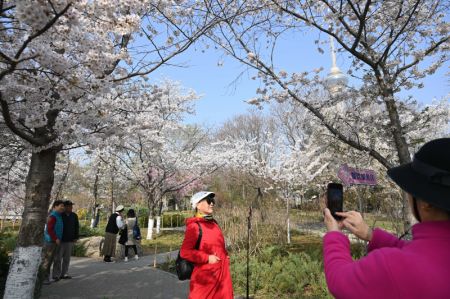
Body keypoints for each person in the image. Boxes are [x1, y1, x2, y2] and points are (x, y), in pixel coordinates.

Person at [323, 138, 450, 299]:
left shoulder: (393, 267)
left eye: (411, 190)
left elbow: (340, 280)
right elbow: (419, 254)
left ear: (425, 204)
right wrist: (371, 234)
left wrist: (334, 234)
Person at [180, 191, 233, 299]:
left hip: (222, 275)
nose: (212, 203)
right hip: (206, 279)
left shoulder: (213, 223)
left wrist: (224, 255)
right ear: (198, 205)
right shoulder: (194, 226)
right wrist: (207, 258)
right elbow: (185, 252)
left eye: (212, 200)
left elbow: (218, 244)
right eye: (208, 201)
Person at [53, 200, 79, 279]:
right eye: (69, 206)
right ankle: (56, 275)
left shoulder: (74, 215)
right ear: (65, 207)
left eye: (71, 206)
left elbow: (76, 227)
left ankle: (64, 273)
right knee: (58, 258)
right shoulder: (60, 215)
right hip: (60, 240)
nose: (71, 208)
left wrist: (76, 237)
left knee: (67, 259)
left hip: (70, 240)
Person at [42, 200, 65, 285]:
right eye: (61, 206)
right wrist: (55, 238)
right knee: (47, 261)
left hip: (55, 241)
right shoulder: (53, 216)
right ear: (55, 206)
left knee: (51, 260)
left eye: (63, 206)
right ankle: (44, 279)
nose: (63, 207)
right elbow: (49, 229)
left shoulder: (59, 216)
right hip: (50, 241)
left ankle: (47, 277)